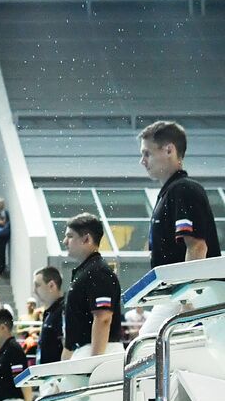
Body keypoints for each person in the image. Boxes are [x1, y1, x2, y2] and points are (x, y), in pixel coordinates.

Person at [139, 121, 221, 338]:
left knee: (143, 351)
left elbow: (197, 247)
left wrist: (187, 302)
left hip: (187, 295)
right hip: (177, 293)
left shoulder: (184, 190)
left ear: (169, 150)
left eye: (147, 153)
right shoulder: (169, 194)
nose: (142, 161)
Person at [61, 213, 122, 359]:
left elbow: (103, 318)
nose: (64, 241)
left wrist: (94, 363)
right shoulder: (86, 271)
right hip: (87, 350)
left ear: (86, 239)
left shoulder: (98, 272)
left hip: (99, 350)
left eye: (70, 236)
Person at [33, 266, 65, 365]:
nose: (34, 291)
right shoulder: (50, 313)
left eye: (37, 285)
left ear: (51, 285)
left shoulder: (64, 311)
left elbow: (67, 347)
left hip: (57, 375)